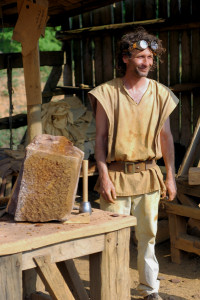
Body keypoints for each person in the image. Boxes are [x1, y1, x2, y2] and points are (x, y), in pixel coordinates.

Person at [88, 27, 179, 300]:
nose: (146, 63)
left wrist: (170, 176)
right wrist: (103, 176)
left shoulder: (161, 94)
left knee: (148, 237)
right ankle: (111, 291)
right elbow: (101, 139)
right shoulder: (107, 93)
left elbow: (167, 137)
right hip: (115, 177)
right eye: (140, 57)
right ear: (126, 57)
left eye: (150, 57)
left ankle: (149, 290)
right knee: (112, 240)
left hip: (148, 175)